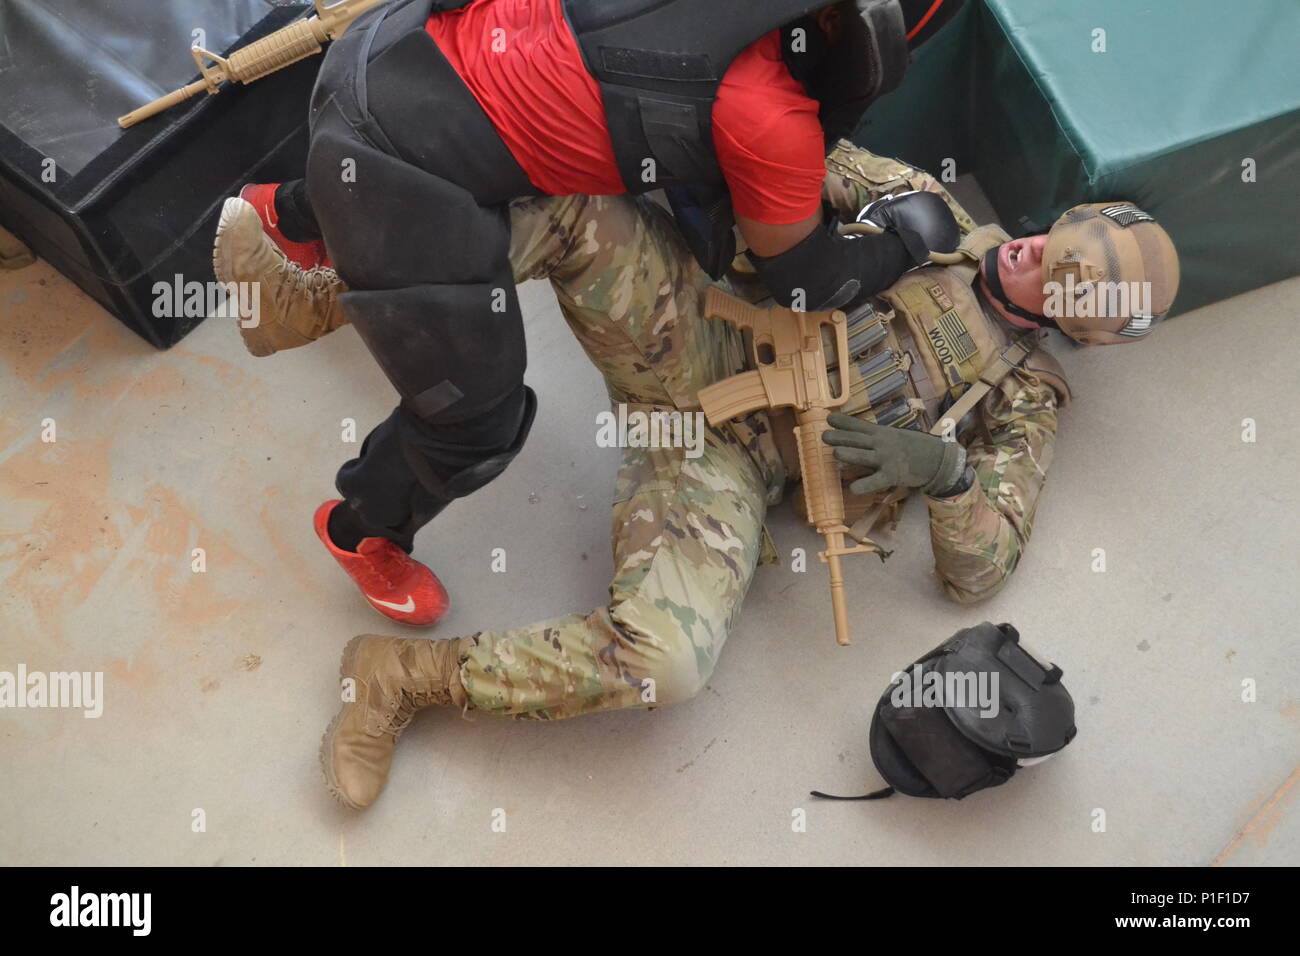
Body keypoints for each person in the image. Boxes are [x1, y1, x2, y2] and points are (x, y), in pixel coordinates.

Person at [221, 136, 1178, 808]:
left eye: (1052, 275)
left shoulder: (1021, 399)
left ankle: (398, 678)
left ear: (1064, 320)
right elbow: (802, 156)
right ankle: (315, 297)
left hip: (726, 466)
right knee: (575, 207)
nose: (1028, 253)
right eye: (1053, 237)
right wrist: (879, 205)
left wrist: (945, 474)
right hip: (699, 336)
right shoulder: (941, 216)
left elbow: (981, 569)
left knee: (668, 664)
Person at [213, 0, 966, 628]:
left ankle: (286, 212)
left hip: (381, 48)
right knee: (476, 422)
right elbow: (809, 280)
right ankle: (360, 530)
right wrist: (902, 240)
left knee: (467, 123)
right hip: (394, 168)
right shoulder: (766, 114)